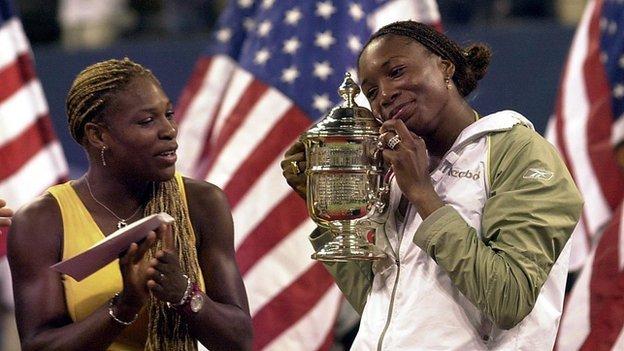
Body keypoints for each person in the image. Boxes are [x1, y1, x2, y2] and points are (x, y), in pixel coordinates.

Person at [281, 21, 582, 350]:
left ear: (445, 67)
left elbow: (509, 299)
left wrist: (424, 195)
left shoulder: (518, 151)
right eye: (371, 92)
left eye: (396, 71)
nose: (384, 95)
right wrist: (333, 213)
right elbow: (380, 306)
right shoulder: (397, 171)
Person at [8, 58, 253, 351]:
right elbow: (39, 345)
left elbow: (239, 339)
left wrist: (184, 294)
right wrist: (124, 307)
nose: (169, 130)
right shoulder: (42, 221)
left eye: (169, 114)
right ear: (98, 135)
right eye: (147, 121)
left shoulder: (203, 203)